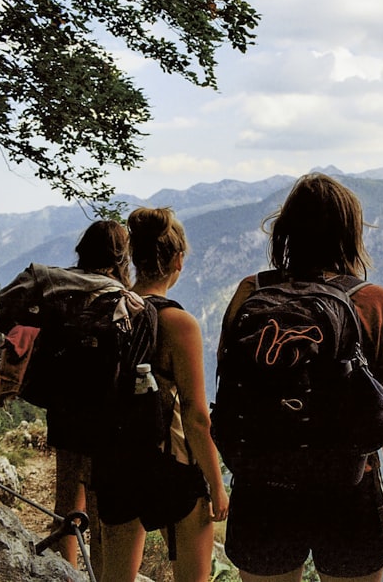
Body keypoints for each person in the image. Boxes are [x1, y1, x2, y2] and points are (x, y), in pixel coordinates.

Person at [221, 173, 383, 582]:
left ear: (286, 231)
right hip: (349, 488)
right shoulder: (372, 302)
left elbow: (231, 383)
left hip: (261, 486)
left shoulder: (249, 293)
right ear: (349, 234)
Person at [94, 207, 229, 582]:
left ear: (134, 258)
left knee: (115, 577)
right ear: (178, 260)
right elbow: (196, 417)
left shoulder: (109, 310)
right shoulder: (178, 323)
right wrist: (217, 487)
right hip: (171, 465)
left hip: (116, 461)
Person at [53, 220, 132, 571]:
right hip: (106, 415)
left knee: (67, 497)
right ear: (121, 255)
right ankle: (100, 574)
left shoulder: (62, 289)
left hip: (64, 407)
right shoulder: (121, 297)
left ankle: (62, 573)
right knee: (102, 510)